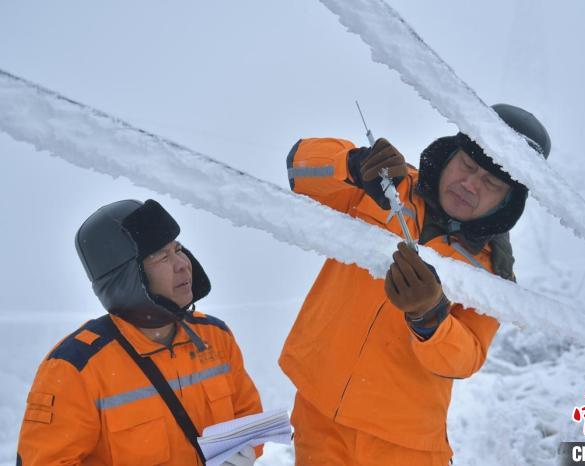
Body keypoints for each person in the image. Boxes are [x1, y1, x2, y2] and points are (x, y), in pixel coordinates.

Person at [280, 104, 551, 465]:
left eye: (491, 183)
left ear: (508, 200)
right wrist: (353, 164)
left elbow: (467, 356)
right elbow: (298, 169)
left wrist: (430, 317)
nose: (470, 184)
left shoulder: (491, 272)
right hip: (318, 414)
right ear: (450, 153)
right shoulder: (387, 184)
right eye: (467, 166)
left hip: (404, 442)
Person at [17, 199, 262, 466]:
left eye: (178, 249)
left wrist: (242, 454)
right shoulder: (74, 368)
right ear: (129, 279)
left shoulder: (214, 337)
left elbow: (248, 418)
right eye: (162, 257)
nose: (182, 264)